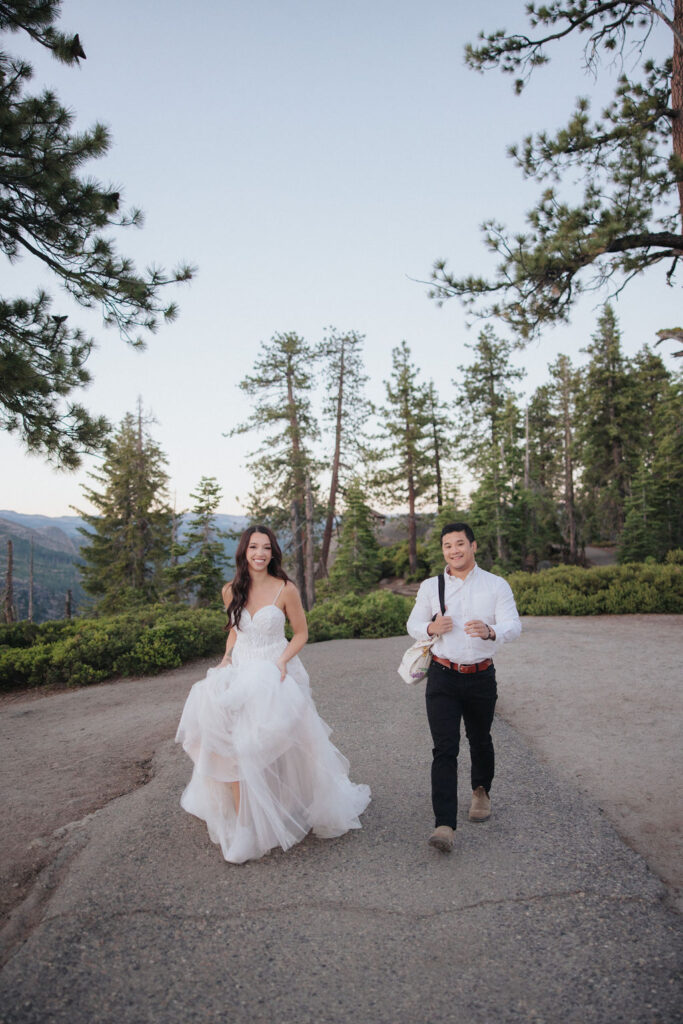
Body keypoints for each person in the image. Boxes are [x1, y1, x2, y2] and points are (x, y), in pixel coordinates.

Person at [176, 525, 370, 864]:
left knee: (275, 747)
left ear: (273, 553)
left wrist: (281, 661)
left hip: (275, 672)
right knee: (234, 747)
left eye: (266, 548)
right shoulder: (230, 590)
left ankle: (288, 803)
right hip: (239, 673)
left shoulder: (286, 589)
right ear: (244, 551)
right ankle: (244, 826)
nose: (260, 554)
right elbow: (234, 633)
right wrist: (224, 661)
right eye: (253, 547)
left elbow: (301, 633)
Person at [406, 522, 521, 853]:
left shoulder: (496, 585)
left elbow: (513, 625)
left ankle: (481, 790)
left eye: (459, 544)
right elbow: (413, 624)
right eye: (447, 545)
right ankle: (444, 824)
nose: (453, 550)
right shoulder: (432, 586)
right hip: (443, 674)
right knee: (444, 748)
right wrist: (431, 626)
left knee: (480, 738)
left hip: (481, 676)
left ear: (473, 546)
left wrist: (490, 630)